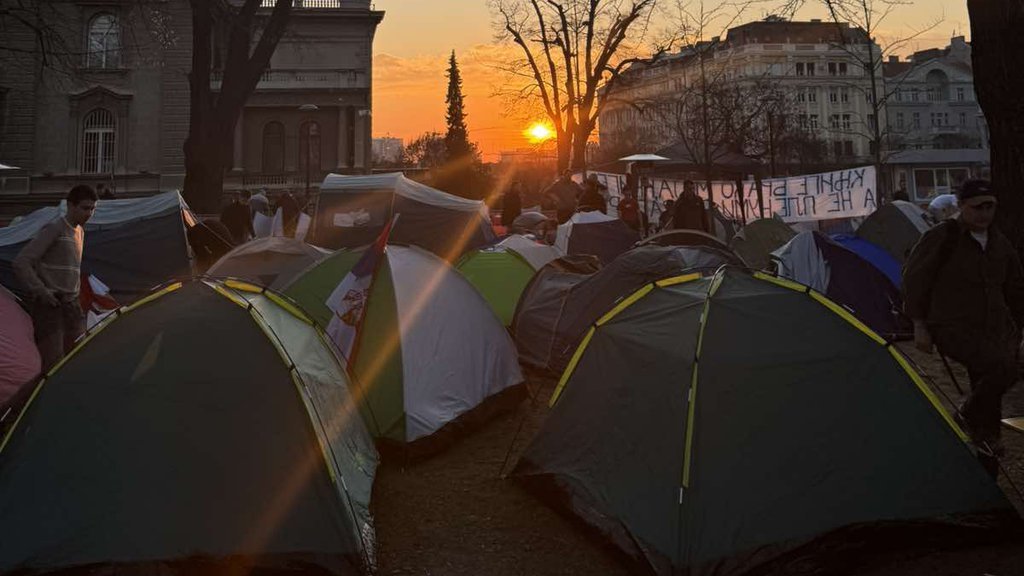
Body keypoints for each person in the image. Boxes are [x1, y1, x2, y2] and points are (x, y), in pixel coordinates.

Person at [903, 179, 1024, 476]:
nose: (984, 213)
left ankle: (987, 461)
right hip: (951, 326)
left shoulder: (999, 242)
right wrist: (919, 324)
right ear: (961, 206)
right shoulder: (941, 238)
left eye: (990, 206)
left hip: (994, 328)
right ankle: (966, 413)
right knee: (1000, 367)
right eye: (977, 207)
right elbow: (914, 279)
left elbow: (1015, 287)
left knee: (991, 387)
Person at [13, 184, 98, 370]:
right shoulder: (54, 229)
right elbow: (22, 261)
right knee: (53, 365)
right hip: (51, 306)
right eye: (85, 208)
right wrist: (42, 291)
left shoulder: (80, 232)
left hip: (72, 306)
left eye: (92, 209)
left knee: (76, 358)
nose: (89, 213)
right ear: (70, 206)